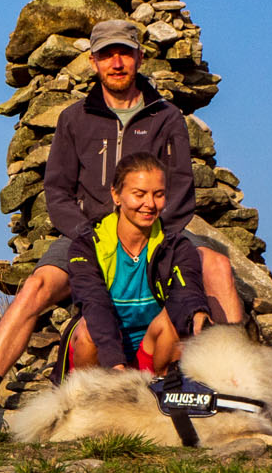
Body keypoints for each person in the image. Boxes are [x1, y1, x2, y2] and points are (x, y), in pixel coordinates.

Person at [0, 18, 241, 438]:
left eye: (125, 53)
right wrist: (90, 238)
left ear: (140, 57)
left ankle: (233, 382)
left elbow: (179, 190)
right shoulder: (75, 118)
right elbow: (58, 191)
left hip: (157, 232)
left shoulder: (166, 117)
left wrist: (157, 242)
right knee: (36, 286)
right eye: (107, 54)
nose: (117, 62)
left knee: (215, 264)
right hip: (86, 234)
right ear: (93, 62)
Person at [63, 151, 210, 372]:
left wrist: (199, 319)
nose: (149, 204)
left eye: (158, 194)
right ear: (116, 195)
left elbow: (187, 293)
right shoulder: (87, 246)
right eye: (139, 194)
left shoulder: (177, 247)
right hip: (106, 356)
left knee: (175, 323)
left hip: (151, 350)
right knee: (87, 331)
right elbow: (94, 303)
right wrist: (116, 365)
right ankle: (88, 400)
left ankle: (164, 391)